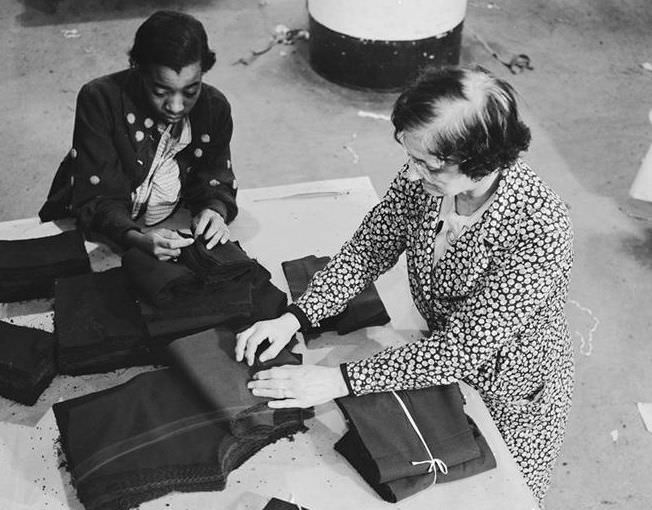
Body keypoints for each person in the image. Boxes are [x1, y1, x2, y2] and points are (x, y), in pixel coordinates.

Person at [235, 66, 575, 506]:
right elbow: (370, 248)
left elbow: (461, 350)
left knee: (493, 493)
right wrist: (295, 316)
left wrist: (339, 380)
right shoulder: (429, 177)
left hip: (507, 390)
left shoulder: (540, 229)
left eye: (429, 165)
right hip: (437, 357)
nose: (412, 175)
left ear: (483, 159)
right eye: (411, 156)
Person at [39, 10, 238, 260]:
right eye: (160, 91)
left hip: (168, 221)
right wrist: (137, 239)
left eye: (190, 91)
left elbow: (215, 177)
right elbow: (98, 200)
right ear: (139, 71)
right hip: (95, 228)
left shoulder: (213, 107)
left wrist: (214, 209)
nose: (176, 106)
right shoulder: (100, 99)